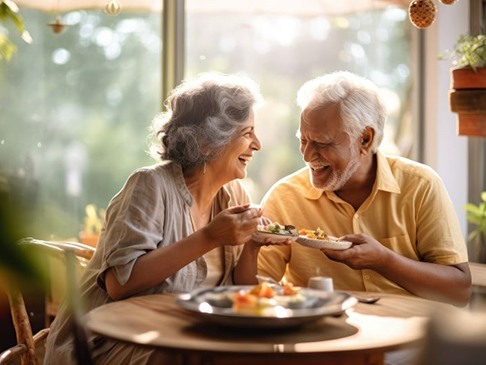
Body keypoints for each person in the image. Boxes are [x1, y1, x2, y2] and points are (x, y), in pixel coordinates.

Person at [45, 72, 287, 364]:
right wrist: (209, 237)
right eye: (246, 133)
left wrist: (252, 245)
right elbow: (120, 285)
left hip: (184, 336)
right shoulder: (150, 186)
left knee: (267, 349)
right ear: (208, 143)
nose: (257, 144)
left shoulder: (233, 193)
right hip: (110, 341)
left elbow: (239, 288)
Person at [258, 71, 472, 307]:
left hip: (410, 338)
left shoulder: (420, 185)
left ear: (365, 139)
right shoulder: (285, 197)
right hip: (325, 337)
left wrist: (386, 261)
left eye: (322, 143)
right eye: (304, 140)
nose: (308, 155)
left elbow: (459, 291)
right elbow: (258, 287)